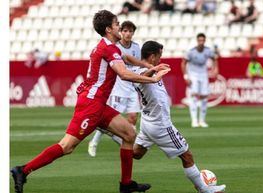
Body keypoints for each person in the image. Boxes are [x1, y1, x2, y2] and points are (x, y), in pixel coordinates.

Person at [10, 10, 170, 193]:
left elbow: (125, 58)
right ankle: (22, 170)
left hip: (98, 103)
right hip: (91, 105)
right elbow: (124, 74)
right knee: (67, 146)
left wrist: (148, 66)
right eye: (117, 24)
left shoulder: (108, 46)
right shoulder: (108, 48)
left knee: (129, 134)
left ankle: (126, 184)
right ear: (109, 29)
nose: (120, 27)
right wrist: (153, 78)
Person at [132, 40, 226, 193]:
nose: (160, 59)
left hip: (147, 122)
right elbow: (142, 77)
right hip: (160, 124)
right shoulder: (141, 72)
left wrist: (155, 69)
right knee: (186, 155)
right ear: (151, 56)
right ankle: (204, 189)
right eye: (159, 56)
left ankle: (123, 160)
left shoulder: (144, 69)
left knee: (136, 154)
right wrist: (155, 69)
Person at [88, 20, 143, 157]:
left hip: (131, 87)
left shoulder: (136, 47)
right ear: (121, 32)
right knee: (109, 120)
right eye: (125, 30)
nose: (128, 33)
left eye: (130, 31)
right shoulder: (114, 46)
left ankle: (127, 143)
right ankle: (94, 142)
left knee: (133, 117)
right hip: (118, 86)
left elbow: (136, 65)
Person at [181, 33, 218, 128]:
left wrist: (215, 69)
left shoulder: (208, 50)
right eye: (199, 40)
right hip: (193, 75)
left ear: (205, 41)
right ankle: (194, 120)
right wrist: (186, 76)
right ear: (197, 41)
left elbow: (214, 58)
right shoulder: (191, 51)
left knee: (204, 97)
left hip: (203, 75)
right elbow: (183, 63)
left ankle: (202, 120)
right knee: (193, 97)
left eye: (203, 40)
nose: (201, 42)